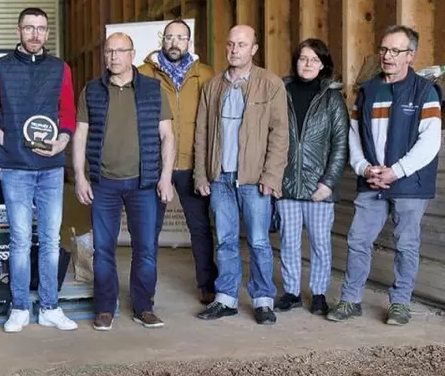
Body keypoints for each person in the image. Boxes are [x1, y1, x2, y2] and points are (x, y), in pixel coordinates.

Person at [327, 25, 441, 326]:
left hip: (408, 184)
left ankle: (400, 303)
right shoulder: (367, 92)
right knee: (358, 240)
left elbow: (430, 142)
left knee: (406, 244)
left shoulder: (424, 92)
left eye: (395, 51)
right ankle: (350, 300)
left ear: (410, 56)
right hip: (372, 180)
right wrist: (365, 168)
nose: (387, 56)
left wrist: (396, 171)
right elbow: (354, 136)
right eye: (384, 49)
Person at [0, 7, 77, 333]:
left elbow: (68, 114)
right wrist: (6, 140)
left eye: (41, 29)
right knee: (20, 239)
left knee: (50, 239)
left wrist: (61, 144)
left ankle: (50, 306)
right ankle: (20, 307)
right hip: (15, 168)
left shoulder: (60, 69)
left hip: (50, 168)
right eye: (29, 28)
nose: (35, 34)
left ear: (48, 33)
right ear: (18, 30)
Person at [73, 32, 175, 331]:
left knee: (145, 248)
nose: (113, 56)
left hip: (144, 184)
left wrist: (165, 177)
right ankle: (105, 308)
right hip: (104, 184)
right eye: (109, 51)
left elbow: (167, 135)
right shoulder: (91, 90)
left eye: (120, 51)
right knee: (103, 249)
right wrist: (80, 177)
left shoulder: (153, 89)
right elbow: (80, 135)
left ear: (132, 54)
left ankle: (144, 307)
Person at [194, 24, 289, 325]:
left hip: (254, 179)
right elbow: (201, 134)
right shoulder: (212, 87)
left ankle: (263, 300)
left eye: (242, 44)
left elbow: (280, 135)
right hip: (220, 177)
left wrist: (271, 177)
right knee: (225, 240)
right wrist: (200, 174)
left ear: (254, 49)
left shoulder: (271, 84)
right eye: (230, 44)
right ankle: (226, 298)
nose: (234, 50)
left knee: (259, 241)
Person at [138, 19, 218, 305]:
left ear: (189, 42)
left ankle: (207, 284)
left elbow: (214, 122)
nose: (174, 43)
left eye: (181, 38)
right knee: (149, 229)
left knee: (200, 228)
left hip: (191, 164)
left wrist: (207, 166)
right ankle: (145, 291)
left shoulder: (206, 75)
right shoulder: (144, 74)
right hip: (154, 164)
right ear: (163, 40)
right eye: (169, 37)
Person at [275, 39, 348, 316]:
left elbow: (340, 143)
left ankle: (318, 294)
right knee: (289, 242)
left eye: (314, 60)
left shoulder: (331, 98)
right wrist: (275, 179)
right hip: (287, 184)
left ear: (323, 64)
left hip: (320, 188)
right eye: (303, 58)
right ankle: (292, 292)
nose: (307, 64)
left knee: (319, 243)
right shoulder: (281, 92)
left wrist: (328, 182)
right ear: (296, 61)